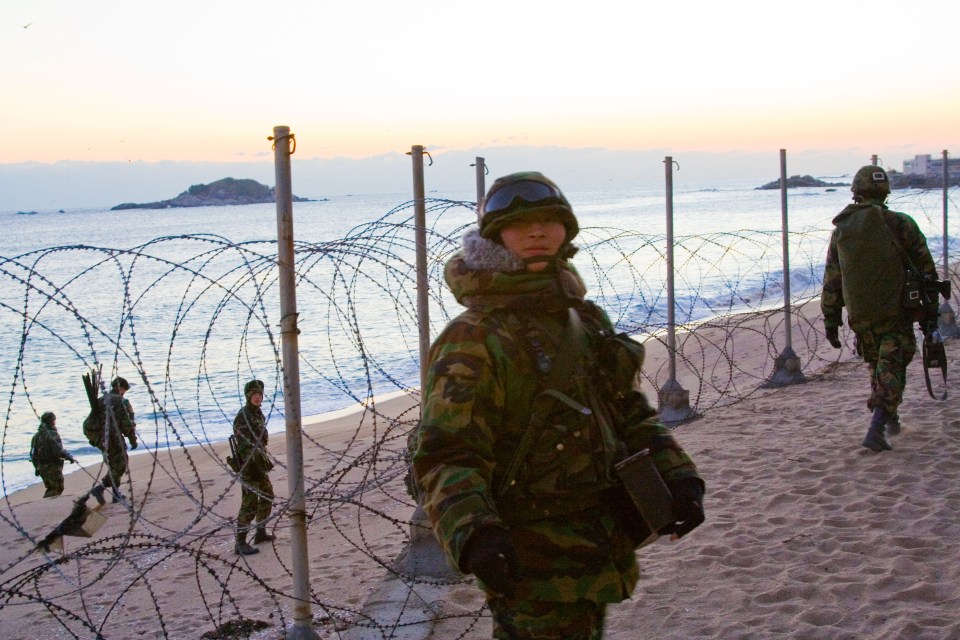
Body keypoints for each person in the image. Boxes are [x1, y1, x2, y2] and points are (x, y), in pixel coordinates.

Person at [411, 172, 705, 639]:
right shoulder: (475, 336)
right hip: (528, 556)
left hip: (596, 542)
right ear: (495, 238)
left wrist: (678, 476)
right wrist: (477, 534)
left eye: (550, 221)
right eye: (520, 224)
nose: (536, 232)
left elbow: (625, 410)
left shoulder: (581, 320)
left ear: (566, 231)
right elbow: (447, 453)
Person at [821, 165, 938, 452]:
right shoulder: (901, 223)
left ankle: (891, 421)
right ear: (885, 192)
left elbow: (833, 280)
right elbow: (927, 271)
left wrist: (831, 319)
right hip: (895, 312)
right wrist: (930, 313)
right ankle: (876, 429)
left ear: (856, 191)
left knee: (878, 365)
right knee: (892, 367)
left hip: (861, 315)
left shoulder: (842, 230)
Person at [232, 379, 275, 555]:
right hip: (249, 465)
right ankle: (240, 543)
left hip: (259, 462)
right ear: (249, 396)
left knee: (267, 495)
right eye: (255, 395)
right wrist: (252, 463)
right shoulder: (243, 416)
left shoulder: (257, 413)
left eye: (260, 395)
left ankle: (260, 531)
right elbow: (244, 444)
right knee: (249, 503)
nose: (258, 397)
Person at [91, 376, 138, 503]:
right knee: (121, 465)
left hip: (103, 440)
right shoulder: (121, 402)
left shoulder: (100, 401)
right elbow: (127, 423)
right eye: (124, 390)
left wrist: (95, 440)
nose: (124, 393)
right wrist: (133, 440)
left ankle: (116, 495)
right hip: (115, 439)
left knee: (113, 466)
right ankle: (100, 488)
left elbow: (88, 424)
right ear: (121, 388)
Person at [29, 411, 77, 498]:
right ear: (52, 422)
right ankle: (46, 505)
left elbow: (32, 454)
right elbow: (58, 452)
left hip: (41, 467)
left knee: (51, 487)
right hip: (52, 467)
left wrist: (36, 467)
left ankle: (47, 504)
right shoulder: (52, 434)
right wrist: (69, 457)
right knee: (57, 488)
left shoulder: (36, 436)